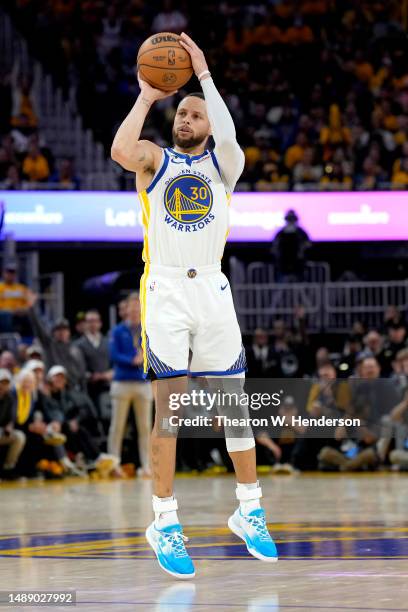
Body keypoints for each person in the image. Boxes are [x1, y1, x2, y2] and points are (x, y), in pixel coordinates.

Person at [111, 32, 278, 578]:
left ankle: (249, 509)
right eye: (181, 111)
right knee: (171, 412)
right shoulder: (154, 160)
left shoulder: (224, 167)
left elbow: (228, 136)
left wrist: (203, 76)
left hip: (212, 288)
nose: (186, 118)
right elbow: (118, 150)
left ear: (210, 125)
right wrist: (145, 96)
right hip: (164, 290)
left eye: (196, 114)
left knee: (235, 404)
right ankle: (165, 520)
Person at [108, 293, 152, 478]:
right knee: (117, 427)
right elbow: (113, 355)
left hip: (143, 384)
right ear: (126, 310)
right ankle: (113, 464)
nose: (134, 311)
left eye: (137, 308)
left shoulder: (148, 329)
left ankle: (147, 466)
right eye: (131, 308)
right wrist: (131, 360)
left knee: (145, 428)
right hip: (122, 383)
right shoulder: (117, 331)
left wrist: (144, 359)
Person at [27, 293, 87, 390]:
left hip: (72, 388)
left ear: (69, 332)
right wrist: (31, 308)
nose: (62, 332)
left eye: (64, 330)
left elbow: (82, 372)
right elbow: (38, 328)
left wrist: (83, 390)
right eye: (58, 330)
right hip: (53, 388)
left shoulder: (75, 348)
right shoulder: (49, 345)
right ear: (54, 333)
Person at [0, 369, 26, 479]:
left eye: (6, 383)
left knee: (19, 437)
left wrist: (10, 426)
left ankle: (8, 468)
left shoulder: (10, 397)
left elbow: (12, 417)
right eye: (2, 382)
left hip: (2, 431)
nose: (3, 385)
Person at [272, 210, 311, 281]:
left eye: (292, 218)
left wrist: (301, 250)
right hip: (283, 264)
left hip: (298, 264)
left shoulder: (301, 232)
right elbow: (275, 247)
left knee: (300, 285)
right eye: (289, 218)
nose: (290, 221)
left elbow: (308, 244)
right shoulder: (280, 233)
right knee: (282, 285)